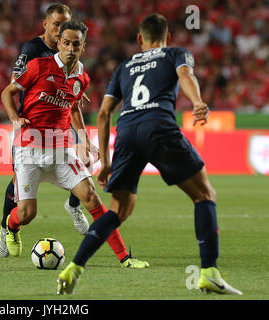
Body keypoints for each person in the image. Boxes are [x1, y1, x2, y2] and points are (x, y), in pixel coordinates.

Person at [57, 13, 242, 295]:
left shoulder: (124, 67)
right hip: (159, 126)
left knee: (118, 211)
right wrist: (197, 102)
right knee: (204, 194)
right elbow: (185, 74)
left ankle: (74, 267)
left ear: (140, 39)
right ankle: (209, 272)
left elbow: (105, 113)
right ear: (167, 38)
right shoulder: (175, 53)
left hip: (128, 130)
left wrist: (105, 162)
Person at [0, 20, 149, 271]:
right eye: (66, 43)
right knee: (26, 214)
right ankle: (10, 227)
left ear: (83, 46)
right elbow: (7, 92)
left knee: (92, 197)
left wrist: (83, 140)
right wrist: (15, 118)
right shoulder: (38, 66)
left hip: (61, 147)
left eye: (76, 44)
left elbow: (74, 106)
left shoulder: (82, 77)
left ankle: (125, 258)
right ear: (58, 43)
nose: (70, 48)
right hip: (30, 147)